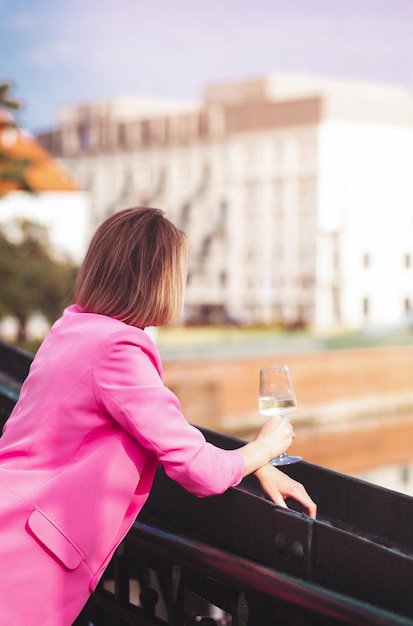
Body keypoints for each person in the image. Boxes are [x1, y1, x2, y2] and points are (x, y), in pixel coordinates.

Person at [0, 207, 316, 624]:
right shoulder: (119, 350)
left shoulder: (72, 330)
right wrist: (264, 447)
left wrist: (250, 462)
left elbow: (165, 432)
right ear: (159, 280)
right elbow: (199, 470)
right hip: (26, 562)